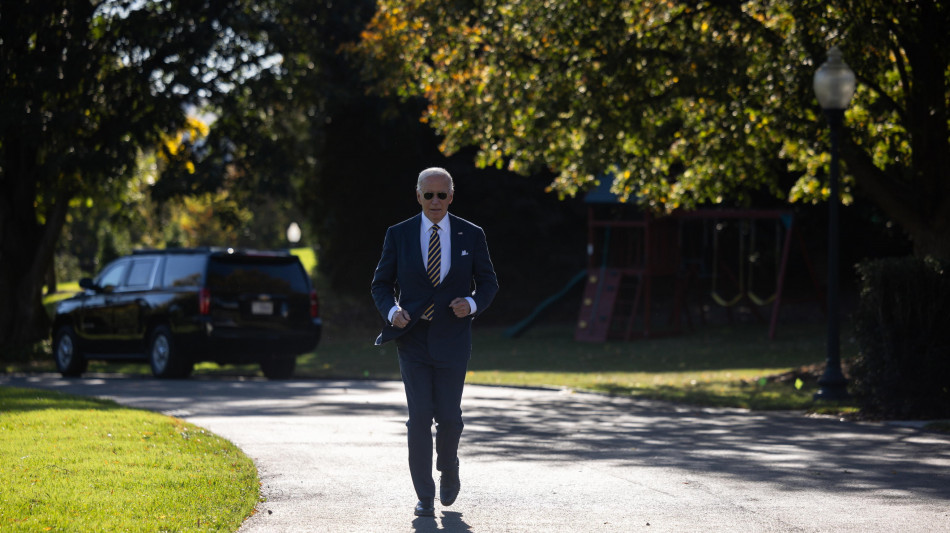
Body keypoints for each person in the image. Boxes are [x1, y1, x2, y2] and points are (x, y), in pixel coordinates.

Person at [371, 167, 499, 517]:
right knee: (419, 418)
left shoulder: (471, 234)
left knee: (449, 418)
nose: (435, 201)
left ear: (452, 197)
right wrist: (392, 310)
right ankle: (424, 495)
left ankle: (449, 466)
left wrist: (470, 304)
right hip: (412, 338)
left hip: (453, 339)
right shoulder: (399, 234)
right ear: (418, 196)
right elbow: (380, 285)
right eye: (429, 195)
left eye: (442, 195)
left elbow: (488, 284)